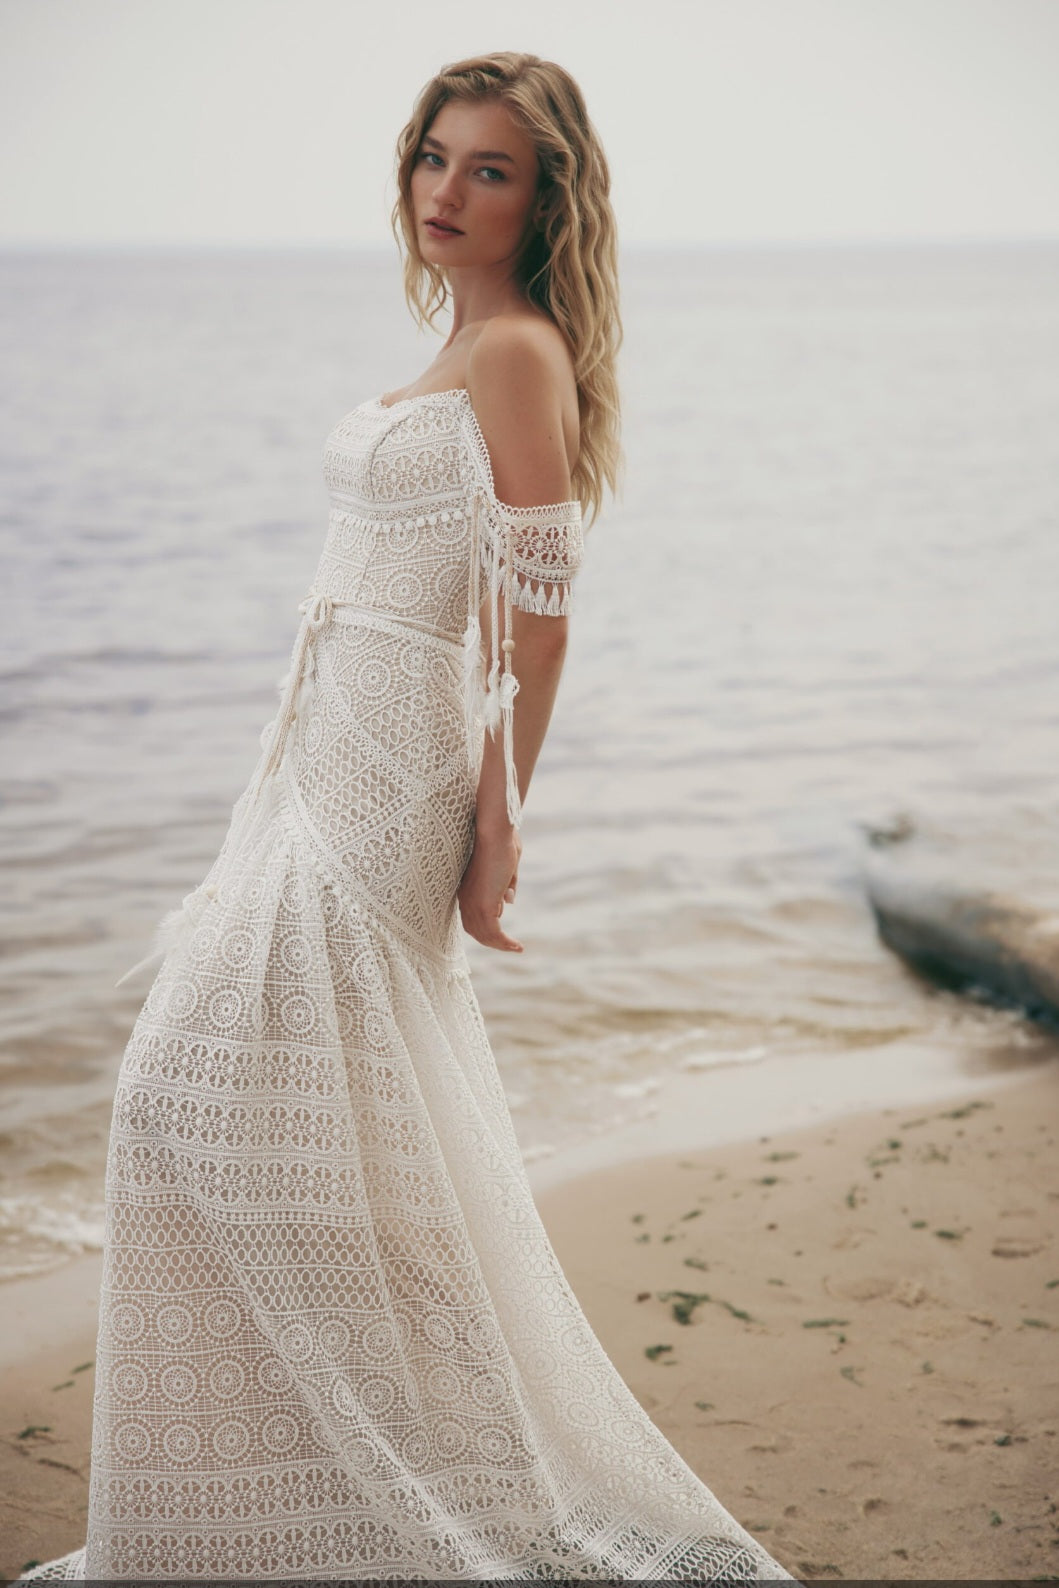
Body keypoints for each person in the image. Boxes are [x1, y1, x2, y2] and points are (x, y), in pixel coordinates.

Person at [20, 52, 797, 1583]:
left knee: (182, 1090)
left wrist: (500, 826)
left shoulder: (517, 353)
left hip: (396, 770)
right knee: (296, 1125)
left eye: (489, 169)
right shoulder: (456, 344)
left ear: (543, 196)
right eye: (436, 157)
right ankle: (284, 1488)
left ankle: (358, 1469)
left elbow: (542, 617)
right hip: (312, 747)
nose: (448, 190)